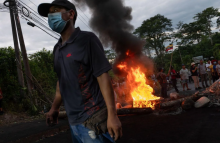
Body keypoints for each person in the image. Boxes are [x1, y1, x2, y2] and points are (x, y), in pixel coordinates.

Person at [38, 1, 122, 142]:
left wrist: (112, 116)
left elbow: (102, 76)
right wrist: (55, 108)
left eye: (56, 10)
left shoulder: (87, 39)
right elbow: (61, 81)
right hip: (74, 122)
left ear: (71, 14)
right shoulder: (57, 49)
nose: (51, 16)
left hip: (93, 120)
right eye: (49, 13)